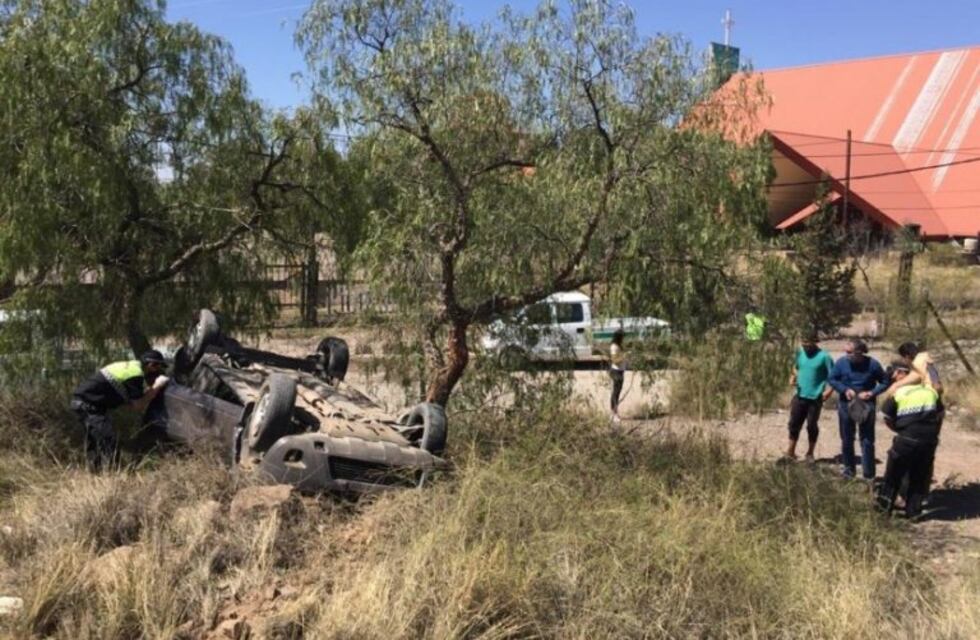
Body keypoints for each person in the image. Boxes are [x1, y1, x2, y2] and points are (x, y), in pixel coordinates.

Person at [70, 350, 170, 471]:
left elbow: (129, 403)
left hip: (85, 405)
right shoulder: (135, 374)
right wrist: (157, 386)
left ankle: (96, 475)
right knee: (108, 441)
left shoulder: (130, 368)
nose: (159, 371)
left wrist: (148, 392)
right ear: (151, 365)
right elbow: (138, 406)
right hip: (89, 406)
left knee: (96, 443)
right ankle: (110, 476)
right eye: (159, 367)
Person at [875, 362, 941, 519]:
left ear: (904, 375)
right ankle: (913, 513)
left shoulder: (898, 392)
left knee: (893, 476)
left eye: (895, 373)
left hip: (906, 439)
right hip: (928, 441)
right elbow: (938, 415)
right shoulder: (930, 392)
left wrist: (901, 431)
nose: (893, 377)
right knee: (919, 477)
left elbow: (887, 417)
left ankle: (883, 511)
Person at [828, 340, 890, 479]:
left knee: (867, 440)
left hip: (866, 405)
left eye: (850, 353)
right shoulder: (841, 363)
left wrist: (871, 393)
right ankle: (849, 473)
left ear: (860, 352)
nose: (847, 355)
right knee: (846, 439)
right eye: (846, 352)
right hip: (846, 404)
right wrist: (844, 390)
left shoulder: (873, 364)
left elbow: (885, 382)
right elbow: (832, 379)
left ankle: (869, 475)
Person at [786, 333, 834, 462]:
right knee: (793, 424)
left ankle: (810, 453)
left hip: (815, 397)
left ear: (815, 343)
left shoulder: (824, 357)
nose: (806, 347)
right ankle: (790, 452)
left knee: (811, 425)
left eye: (808, 345)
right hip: (799, 395)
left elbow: (834, 376)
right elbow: (795, 368)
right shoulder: (800, 354)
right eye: (803, 344)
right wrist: (793, 377)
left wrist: (829, 391)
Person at [609, 329, 626, 423]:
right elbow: (615, 360)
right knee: (615, 393)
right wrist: (624, 357)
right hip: (616, 371)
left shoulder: (619, 346)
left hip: (620, 371)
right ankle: (613, 414)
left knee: (618, 392)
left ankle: (615, 412)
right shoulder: (614, 347)